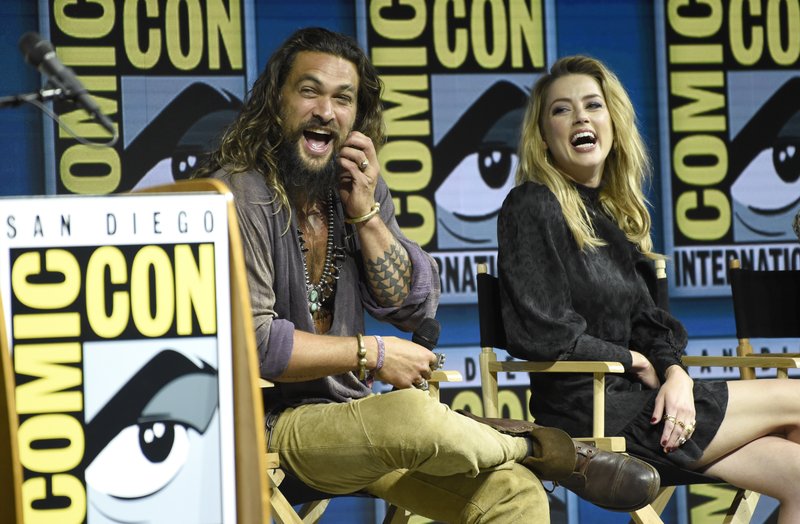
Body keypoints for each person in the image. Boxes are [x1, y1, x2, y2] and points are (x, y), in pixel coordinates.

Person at [194, 29, 659, 522]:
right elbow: (256, 345)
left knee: (516, 492)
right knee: (412, 414)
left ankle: (527, 457)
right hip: (267, 427)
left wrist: (367, 217)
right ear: (276, 101)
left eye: (342, 98)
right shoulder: (240, 195)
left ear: (357, 118)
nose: (325, 111)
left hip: (357, 423)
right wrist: (371, 353)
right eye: (309, 91)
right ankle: (554, 454)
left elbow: (413, 305)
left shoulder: (355, 188)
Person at [498, 54, 800, 521]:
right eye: (561, 109)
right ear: (542, 137)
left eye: (593, 105)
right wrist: (630, 358)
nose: (580, 116)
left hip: (648, 404)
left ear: (613, 123)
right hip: (591, 414)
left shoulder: (615, 217)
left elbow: (650, 324)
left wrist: (676, 373)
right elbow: (539, 330)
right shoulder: (531, 204)